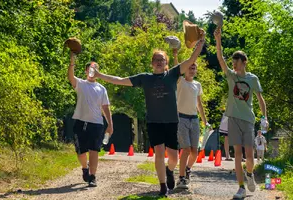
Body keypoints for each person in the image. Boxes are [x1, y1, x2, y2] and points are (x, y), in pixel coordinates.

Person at [93, 30, 206, 196]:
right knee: (159, 153)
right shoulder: (144, 78)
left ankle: (169, 171)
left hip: (171, 122)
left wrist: (201, 41)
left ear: (166, 62)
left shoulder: (173, 74)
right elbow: (119, 80)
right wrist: (99, 75)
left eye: (162, 60)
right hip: (154, 122)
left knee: (173, 157)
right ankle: (162, 187)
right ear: (152, 63)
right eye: (156, 60)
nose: (159, 62)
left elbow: (191, 60)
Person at [214, 28, 268, 199]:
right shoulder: (231, 76)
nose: (233, 65)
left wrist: (264, 117)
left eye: (236, 63)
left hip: (248, 120)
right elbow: (220, 60)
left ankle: (250, 174)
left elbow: (260, 98)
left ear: (244, 62)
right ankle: (241, 188)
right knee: (238, 154)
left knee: (250, 157)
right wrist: (218, 40)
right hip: (233, 119)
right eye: (233, 63)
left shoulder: (252, 79)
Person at [68, 51, 113, 187]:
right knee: (81, 151)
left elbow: (105, 108)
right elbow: (70, 77)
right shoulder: (80, 84)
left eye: (95, 68)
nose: (93, 70)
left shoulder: (101, 89)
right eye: (91, 68)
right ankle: (84, 168)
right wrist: (72, 61)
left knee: (94, 150)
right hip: (80, 122)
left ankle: (93, 176)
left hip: (97, 124)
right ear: (86, 71)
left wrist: (110, 124)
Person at [172, 48, 210, 189]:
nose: (192, 70)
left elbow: (199, 104)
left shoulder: (197, 85)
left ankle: (187, 169)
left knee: (195, 151)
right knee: (186, 150)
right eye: (190, 67)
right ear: (185, 69)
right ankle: (181, 178)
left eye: (194, 68)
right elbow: (176, 69)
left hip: (194, 119)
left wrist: (205, 121)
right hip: (181, 118)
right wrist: (175, 55)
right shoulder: (180, 81)